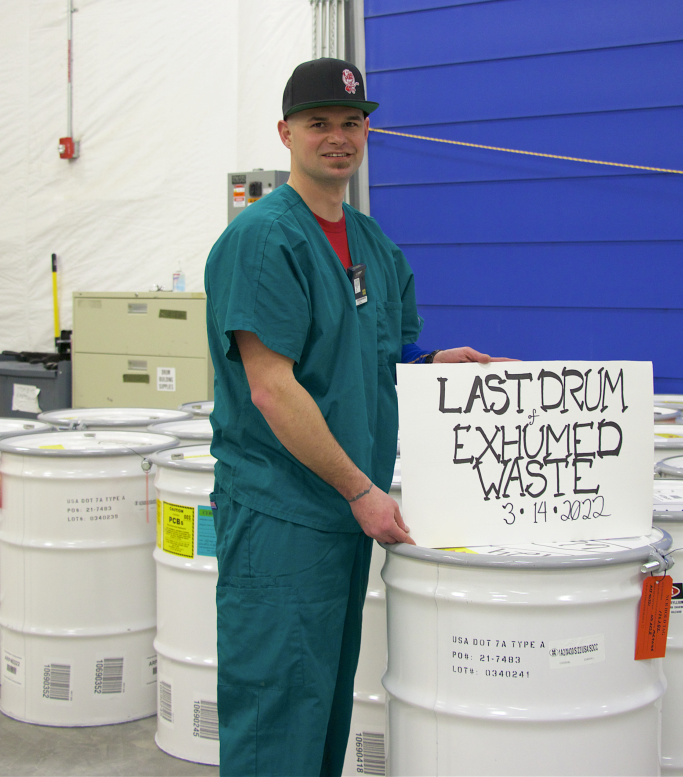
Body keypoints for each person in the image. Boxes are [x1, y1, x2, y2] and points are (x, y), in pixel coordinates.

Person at [203, 58, 509, 776]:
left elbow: (376, 350)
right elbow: (273, 388)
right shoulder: (264, 239)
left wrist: (431, 362)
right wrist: (361, 490)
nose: (337, 138)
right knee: (277, 702)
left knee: (324, 701)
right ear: (286, 134)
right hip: (283, 510)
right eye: (319, 124)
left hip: (343, 509)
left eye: (351, 123)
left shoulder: (373, 244)